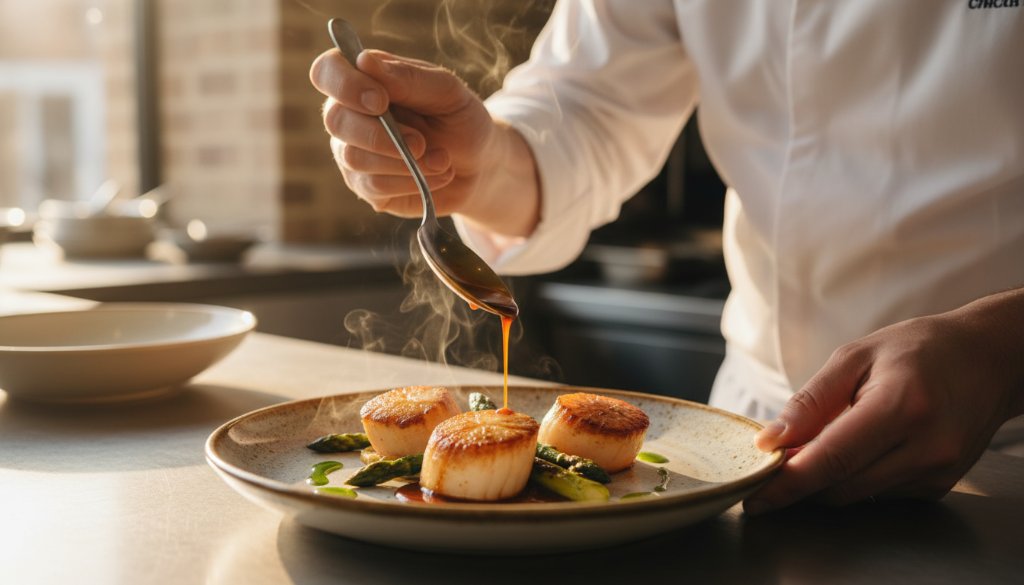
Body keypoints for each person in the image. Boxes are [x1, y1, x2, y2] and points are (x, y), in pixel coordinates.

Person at [309, 0, 1024, 513]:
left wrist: (1004, 346)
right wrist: (482, 164)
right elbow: (586, 104)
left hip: (999, 456)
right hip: (744, 437)